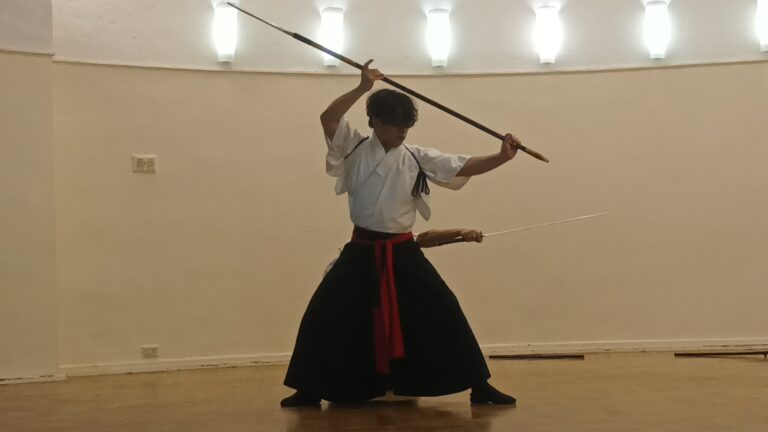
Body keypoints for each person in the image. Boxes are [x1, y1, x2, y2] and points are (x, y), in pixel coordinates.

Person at [281, 60, 521, 407]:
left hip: (403, 250)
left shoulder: (416, 157)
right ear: (376, 122)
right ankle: (309, 389)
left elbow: (463, 165)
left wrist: (501, 157)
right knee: (326, 312)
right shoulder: (353, 148)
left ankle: (479, 386)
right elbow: (328, 118)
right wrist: (362, 87)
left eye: (407, 126)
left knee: (444, 309)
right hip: (361, 249)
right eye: (396, 125)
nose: (403, 132)